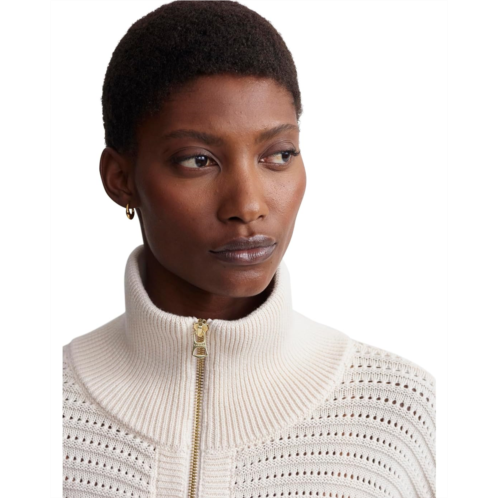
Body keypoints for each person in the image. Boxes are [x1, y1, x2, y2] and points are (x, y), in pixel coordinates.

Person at [62, 1, 436, 497]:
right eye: (198, 160)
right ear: (120, 179)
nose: (248, 205)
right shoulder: (63, 406)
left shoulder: (397, 413)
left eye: (279, 154)